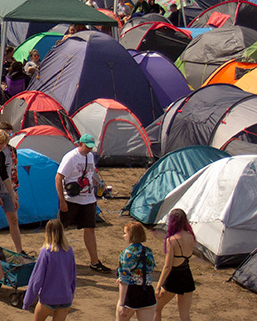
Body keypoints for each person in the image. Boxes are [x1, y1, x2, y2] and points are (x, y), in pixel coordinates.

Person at [55, 134, 111, 273]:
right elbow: (58, 178)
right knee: (60, 229)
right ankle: (52, 257)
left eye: (91, 147)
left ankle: (94, 261)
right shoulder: (71, 157)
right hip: (71, 199)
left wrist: (98, 184)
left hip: (88, 199)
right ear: (80, 144)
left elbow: (90, 175)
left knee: (90, 228)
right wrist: (62, 200)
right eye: (87, 146)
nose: (89, 149)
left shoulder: (90, 157)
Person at [23, 219, 77, 320]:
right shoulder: (69, 250)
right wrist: (71, 294)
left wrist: (27, 302)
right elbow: (73, 275)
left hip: (49, 298)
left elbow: (36, 279)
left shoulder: (46, 252)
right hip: (65, 297)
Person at [154, 208, 195, 321]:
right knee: (185, 315)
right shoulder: (190, 237)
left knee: (156, 308)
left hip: (173, 278)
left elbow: (168, 266)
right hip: (187, 276)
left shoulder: (172, 240)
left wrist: (158, 286)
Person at [0, 122, 25, 254]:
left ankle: (19, 250)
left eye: (10, 134)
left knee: (13, 220)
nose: (9, 136)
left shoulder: (12, 150)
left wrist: (14, 191)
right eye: (7, 133)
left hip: (9, 189)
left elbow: (13, 170)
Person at [117, 222, 157, 321]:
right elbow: (151, 269)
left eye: (125, 233)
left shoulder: (127, 253)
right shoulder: (148, 251)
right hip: (147, 293)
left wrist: (122, 303)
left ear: (131, 235)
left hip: (132, 293)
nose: (124, 235)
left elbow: (124, 279)